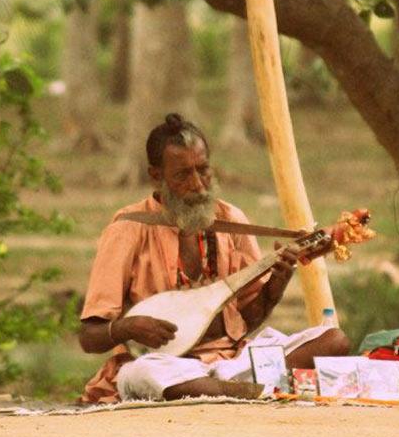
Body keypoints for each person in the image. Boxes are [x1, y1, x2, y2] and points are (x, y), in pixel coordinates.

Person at [78, 113, 350, 403]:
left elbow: (247, 320)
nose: (198, 184)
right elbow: (89, 337)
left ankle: (225, 389)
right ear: (156, 176)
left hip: (231, 362)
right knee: (143, 373)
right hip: (165, 366)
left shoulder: (230, 220)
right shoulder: (128, 229)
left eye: (203, 170)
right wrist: (127, 327)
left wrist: (275, 287)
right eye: (183, 175)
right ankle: (244, 389)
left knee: (333, 341)